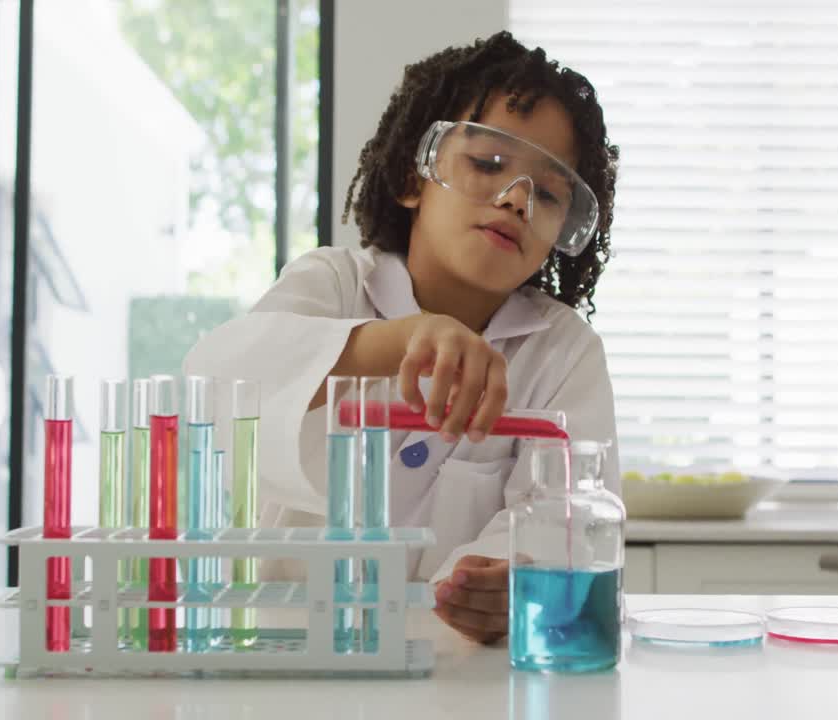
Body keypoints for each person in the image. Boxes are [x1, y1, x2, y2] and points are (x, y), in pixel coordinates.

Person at [183, 30, 620, 644]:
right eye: (487, 164)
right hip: (282, 645)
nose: (515, 200)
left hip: (452, 666)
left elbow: (570, 519)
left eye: (547, 193)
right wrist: (403, 339)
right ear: (413, 177)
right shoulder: (333, 284)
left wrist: (510, 577)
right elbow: (213, 382)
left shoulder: (563, 351)